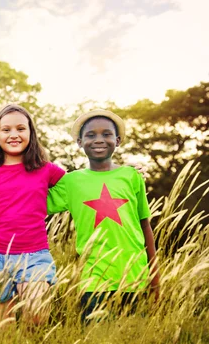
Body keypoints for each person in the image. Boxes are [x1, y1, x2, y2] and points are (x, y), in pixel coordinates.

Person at [47, 109, 159, 321]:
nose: (99, 139)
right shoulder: (71, 182)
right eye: (91, 135)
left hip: (136, 277)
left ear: (117, 140)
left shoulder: (132, 176)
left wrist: (155, 277)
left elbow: (145, 226)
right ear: (79, 142)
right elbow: (32, 203)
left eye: (106, 134)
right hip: (93, 281)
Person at [0, 104, 65, 327]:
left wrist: (117, 172)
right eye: (6, 130)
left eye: (21, 128)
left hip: (34, 254)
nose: (14, 135)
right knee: (2, 329)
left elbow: (80, 184)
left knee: (38, 314)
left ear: (31, 133)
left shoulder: (45, 169)